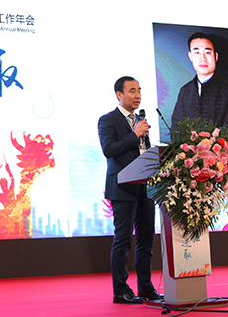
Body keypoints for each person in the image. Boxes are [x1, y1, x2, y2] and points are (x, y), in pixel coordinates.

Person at [97, 76, 162, 304]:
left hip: (145, 186)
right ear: (119, 95)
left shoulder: (140, 121)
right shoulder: (108, 120)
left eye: (139, 90)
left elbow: (143, 153)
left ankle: (146, 287)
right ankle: (121, 291)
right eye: (132, 90)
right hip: (122, 188)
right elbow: (109, 149)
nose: (137, 95)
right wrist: (135, 135)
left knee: (146, 239)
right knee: (123, 240)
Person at [171, 33, 228, 142]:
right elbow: (176, 128)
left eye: (207, 52)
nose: (203, 58)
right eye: (197, 52)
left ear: (216, 56)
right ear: (190, 56)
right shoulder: (185, 91)